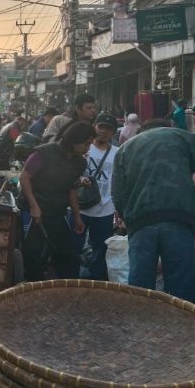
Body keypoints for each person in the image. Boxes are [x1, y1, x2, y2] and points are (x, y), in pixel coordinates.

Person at [112, 120, 195, 302]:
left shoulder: (124, 149)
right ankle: (180, 328)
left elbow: (118, 194)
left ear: (142, 131)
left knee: (140, 290)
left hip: (140, 222)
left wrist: (125, 217)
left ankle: (139, 327)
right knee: (180, 292)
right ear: (169, 127)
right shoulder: (184, 138)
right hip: (179, 220)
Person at [18, 121, 95, 281]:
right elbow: (25, 177)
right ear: (75, 140)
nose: (88, 148)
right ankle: (32, 289)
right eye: (86, 144)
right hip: (33, 211)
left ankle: (66, 290)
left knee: (66, 254)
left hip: (57, 213)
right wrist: (34, 206)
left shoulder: (79, 162)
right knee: (33, 254)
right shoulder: (43, 153)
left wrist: (77, 216)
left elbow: (72, 189)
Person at [79, 114, 119, 281]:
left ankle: (96, 283)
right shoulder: (84, 148)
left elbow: (119, 181)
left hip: (105, 210)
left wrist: (119, 209)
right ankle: (71, 280)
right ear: (94, 126)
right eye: (101, 126)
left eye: (108, 129)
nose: (103, 131)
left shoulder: (117, 153)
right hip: (80, 207)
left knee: (101, 251)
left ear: (113, 133)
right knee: (74, 247)